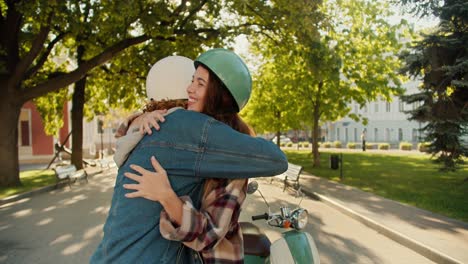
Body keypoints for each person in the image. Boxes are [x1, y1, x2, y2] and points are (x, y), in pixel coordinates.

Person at [91, 49, 288, 264]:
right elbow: (123, 137)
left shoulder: (229, 156)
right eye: (192, 81)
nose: (189, 89)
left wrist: (167, 196)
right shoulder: (178, 125)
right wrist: (140, 119)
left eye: (200, 84)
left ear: (218, 96)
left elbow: (209, 236)